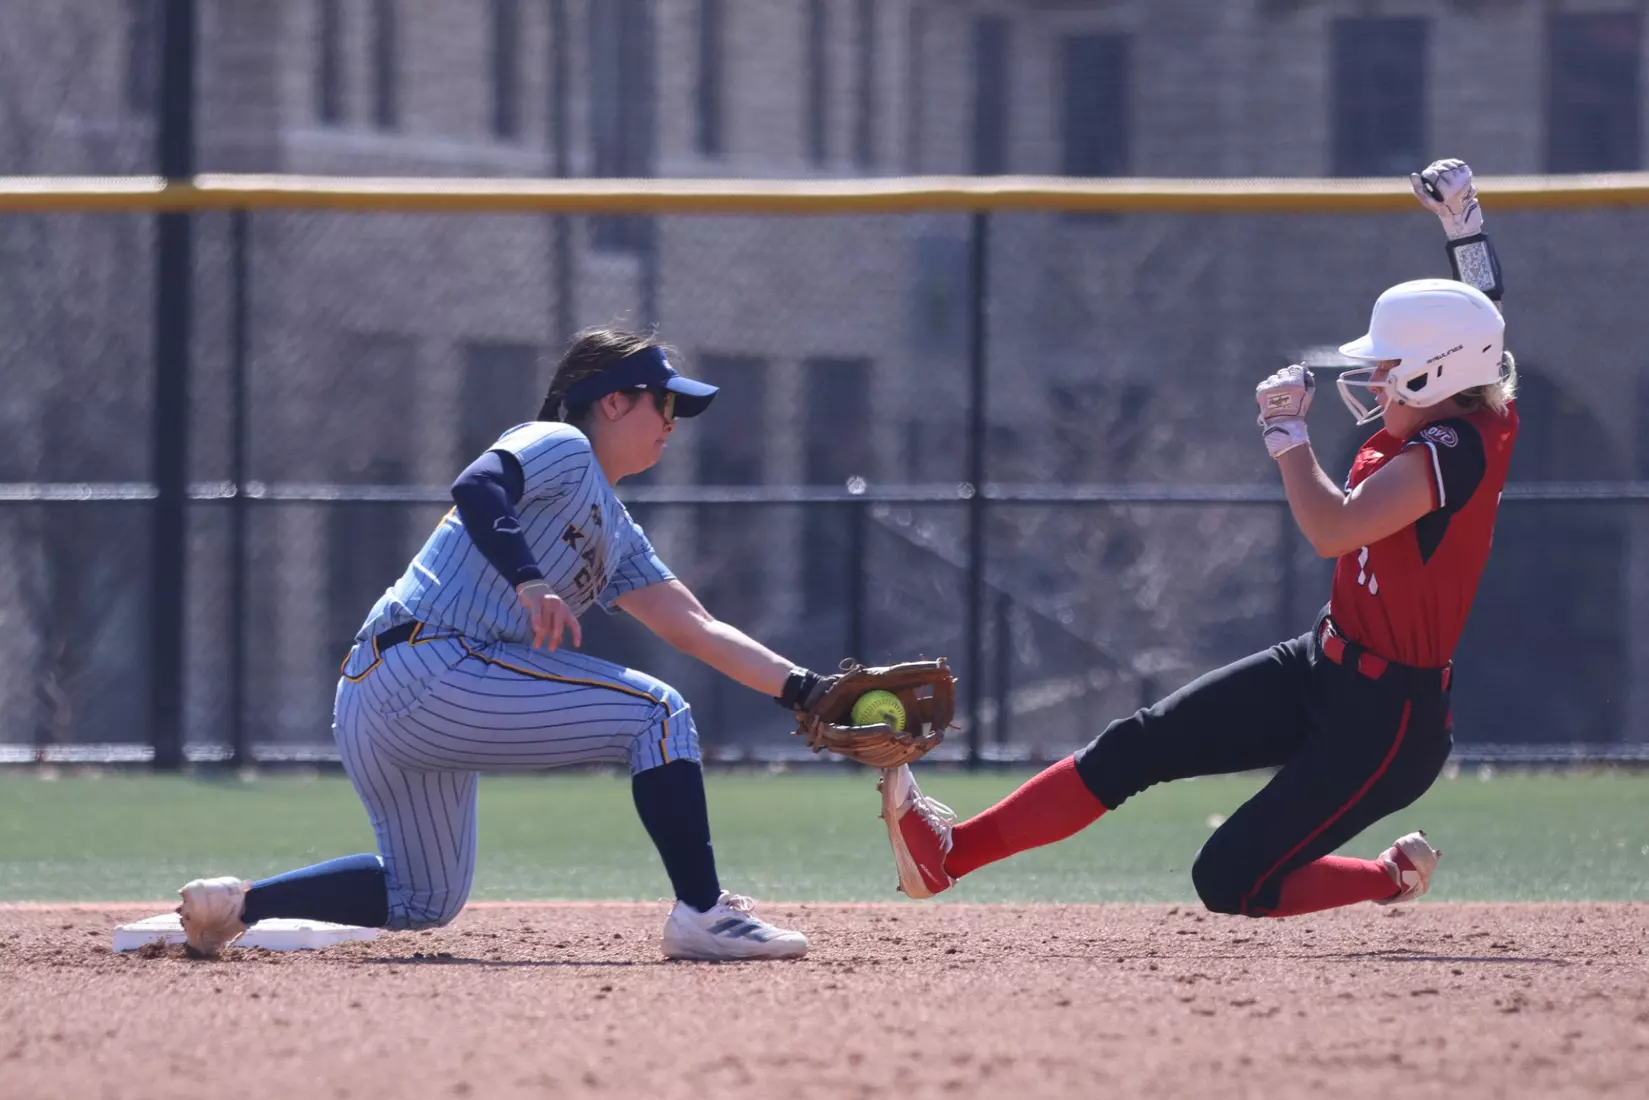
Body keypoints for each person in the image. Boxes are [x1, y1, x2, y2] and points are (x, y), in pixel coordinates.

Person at [879, 159, 1519, 918]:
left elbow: (1331, 528)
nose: (1374, 379)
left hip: (1388, 720)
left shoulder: (1455, 449)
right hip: (1325, 661)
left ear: (1434, 375)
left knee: (1229, 880)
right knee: (1136, 744)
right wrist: (1463, 224)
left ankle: (1387, 879)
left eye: (1387, 368)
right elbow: (1480, 310)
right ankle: (948, 857)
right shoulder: (1461, 397)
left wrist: (1286, 438)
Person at [176, 328, 844, 960]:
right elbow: (477, 484)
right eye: (663, 403)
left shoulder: (614, 527)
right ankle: (702, 912)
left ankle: (237, 906)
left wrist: (808, 691)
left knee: (423, 896)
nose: (672, 421)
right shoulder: (559, 442)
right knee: (658, 714)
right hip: (429, 662)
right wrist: (529, 579)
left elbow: (693, 627)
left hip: (382, 693)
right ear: (612, 400)